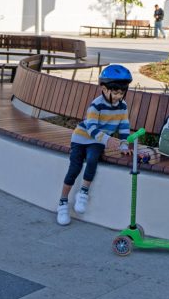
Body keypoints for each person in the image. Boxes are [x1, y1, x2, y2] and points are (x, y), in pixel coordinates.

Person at [56, 64, 132, 226]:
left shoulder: (123, 106)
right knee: (74, 168)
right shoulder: (96, 105)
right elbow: (91, 128)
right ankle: (62, 202)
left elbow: (124, 126)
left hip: (97, 141)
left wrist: (124, 145)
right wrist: (108, 140)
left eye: (122, 93)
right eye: (115, 92)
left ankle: (83, 192)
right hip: (81, 138)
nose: (119, 96)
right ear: (104, 89)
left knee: (92, 159)